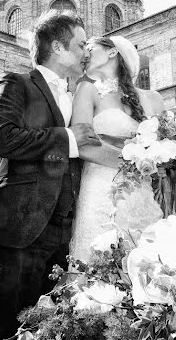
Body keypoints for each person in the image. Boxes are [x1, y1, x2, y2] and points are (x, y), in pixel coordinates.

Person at [0, 10, 101, 340]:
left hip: (64, 227)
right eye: (80, 45)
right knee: (14, 328)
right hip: (22, 223)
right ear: (58, 47)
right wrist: (67, 139)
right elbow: (1, 138)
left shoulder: (79, 94)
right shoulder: (17, 83)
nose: (85, 52)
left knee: (49, 328)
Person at [68, 35, 166, 262]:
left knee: (148, 259)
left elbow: (165, 147)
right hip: (101, 189)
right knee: (100, 258)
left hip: (141, 192)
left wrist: (162, 156)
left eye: (90, 48)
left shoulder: (152, 98)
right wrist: (133, 161)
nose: (85, 54)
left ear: (112, 52)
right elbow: (82, 146)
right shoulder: (87, 89)